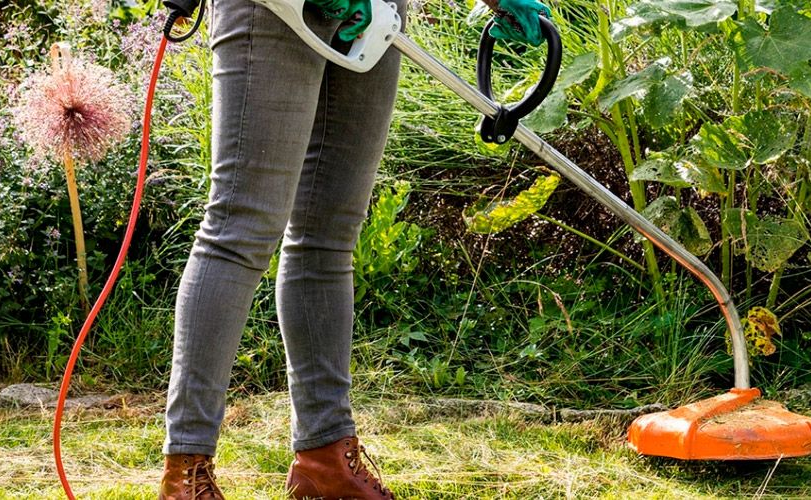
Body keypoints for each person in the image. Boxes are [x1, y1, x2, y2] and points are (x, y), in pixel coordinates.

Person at [157, 0, 551, 498]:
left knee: (329, 237)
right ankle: (185, 470)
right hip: (276, 9)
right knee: (241, 228)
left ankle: (324, 459)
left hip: (375, 13)